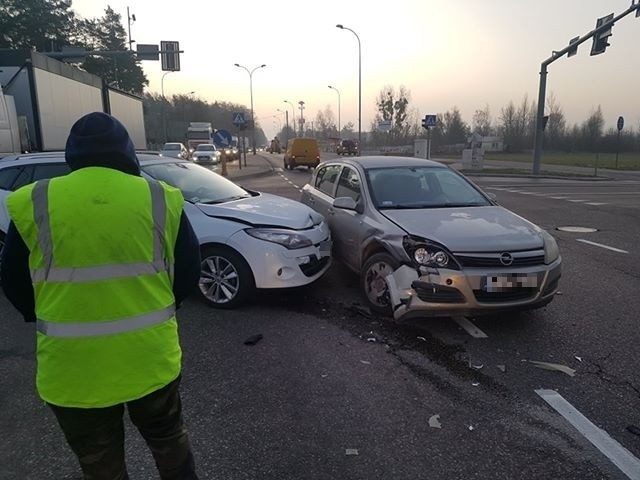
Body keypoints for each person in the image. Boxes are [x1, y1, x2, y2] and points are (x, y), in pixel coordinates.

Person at [0, 112, 201, 479]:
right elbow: (189, 269)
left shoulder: (36, 199)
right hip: (150, 359)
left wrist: (46, 313)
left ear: (71, 155)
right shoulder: (159, 196)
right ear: (127, 152)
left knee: (101, 466)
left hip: (73, 370)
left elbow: (11, 279)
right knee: (170, 444)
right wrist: (162, 307)